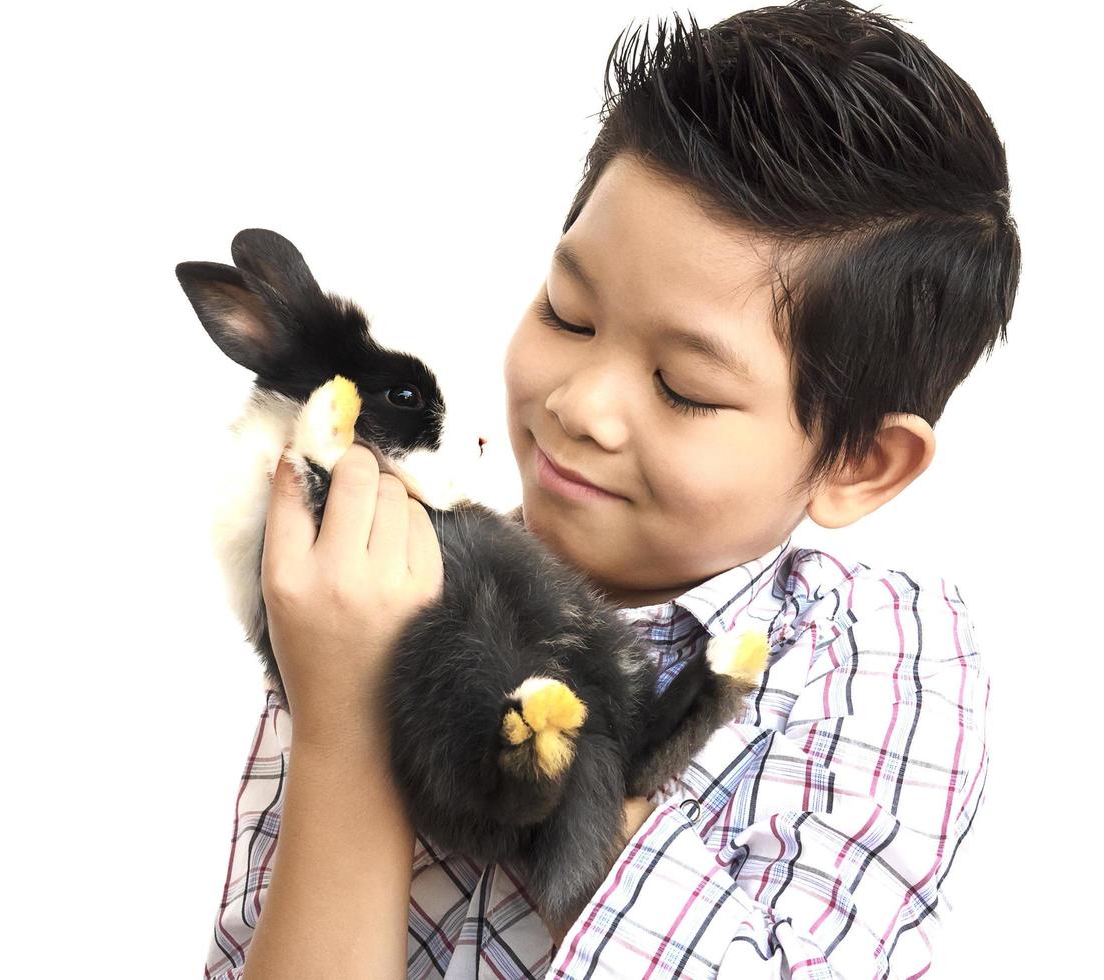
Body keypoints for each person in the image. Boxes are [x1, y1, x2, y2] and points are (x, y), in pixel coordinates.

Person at [204, 1, 1016, 976]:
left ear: (860, 461)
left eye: (685, 387)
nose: (582, 404)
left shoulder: (880, 652)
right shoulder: (370, 591)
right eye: (569, 311)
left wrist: (466, 713)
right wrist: (345, 728)